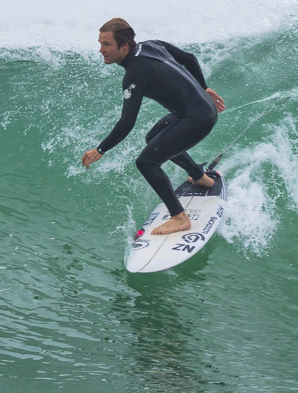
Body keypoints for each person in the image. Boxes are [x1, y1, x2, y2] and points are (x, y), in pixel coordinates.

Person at [81, 17, 225, 237]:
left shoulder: (135, 73)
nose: (101, 49)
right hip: (200, 109)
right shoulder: (151, 45)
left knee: (147, 162)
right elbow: (189, 58)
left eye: (107, 44)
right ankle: (199, 175)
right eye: (100, 43)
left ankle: (179, 217)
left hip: (196, 119)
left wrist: (100, 150)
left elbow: (127, 121)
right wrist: (203, 88)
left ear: (125, 45)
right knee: (154, 139)